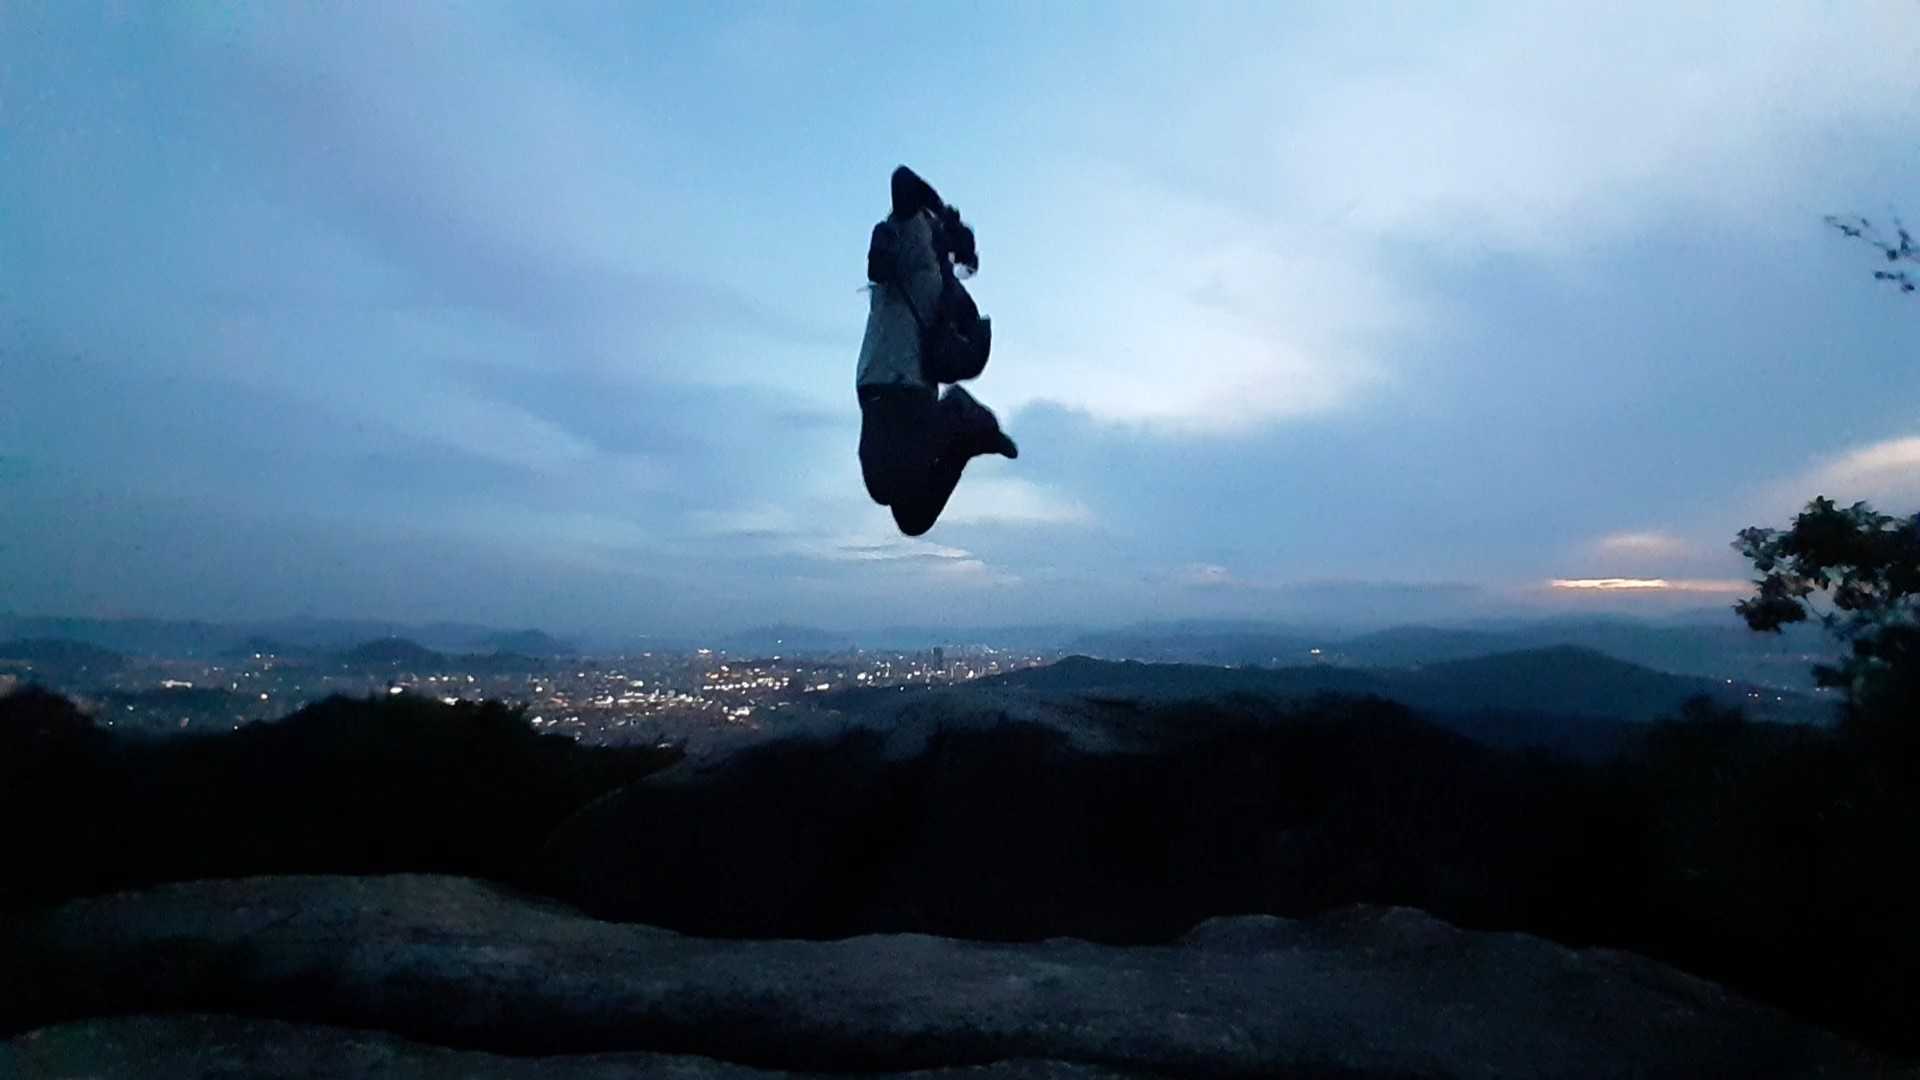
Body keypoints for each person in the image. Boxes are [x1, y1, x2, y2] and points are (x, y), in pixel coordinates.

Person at [856, 166, 1017, 537]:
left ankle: (960, 414)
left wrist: (942, 223)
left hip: (894, 387)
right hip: (898, 387)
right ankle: (966, 440)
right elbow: (903, 182)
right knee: (912, 519)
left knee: (883, 486)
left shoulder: (918, 239)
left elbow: (902, 180)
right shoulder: (929, 261)